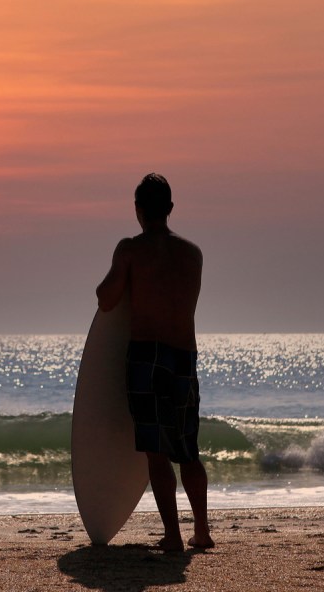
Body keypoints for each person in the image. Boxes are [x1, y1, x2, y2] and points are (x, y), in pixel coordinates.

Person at [96, 173, 214, 551]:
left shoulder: (130, 249)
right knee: (188, 451)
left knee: (157, 453)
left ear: (138, 210)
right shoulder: (193, 254)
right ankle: (202, 531)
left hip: (146, 358)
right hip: (184, 357)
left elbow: (106, 299)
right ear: (170, 209)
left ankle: (174, 537)